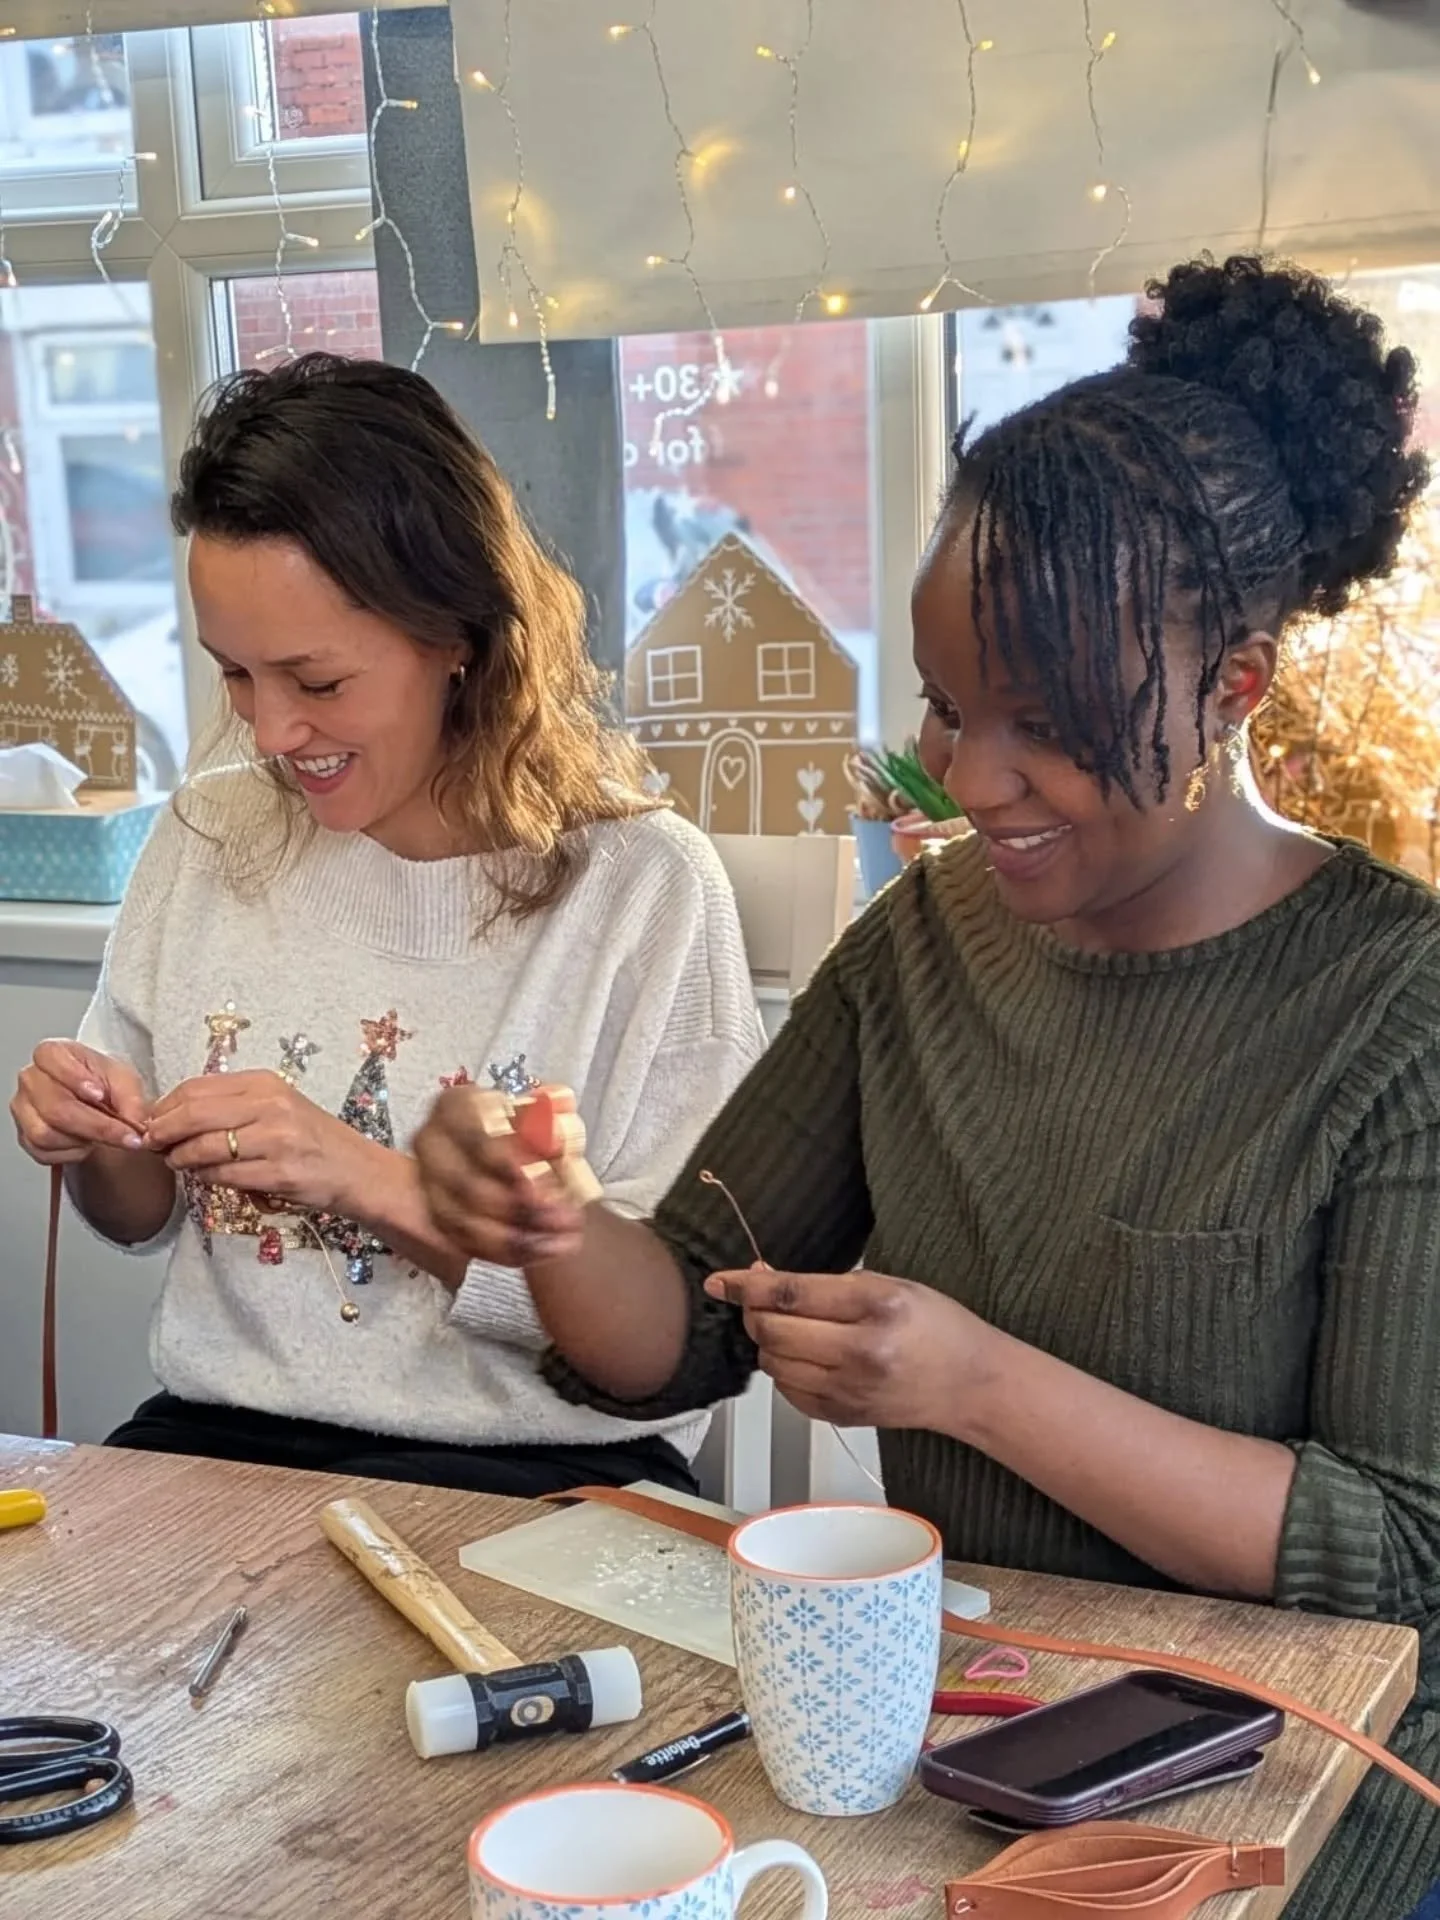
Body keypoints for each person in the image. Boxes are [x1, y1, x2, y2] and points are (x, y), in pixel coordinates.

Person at [413, 257, 1440, 1917]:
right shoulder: (922, 949)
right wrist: (547, 1226)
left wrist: (976, 1386)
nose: (972, 781)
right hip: (980, 1749)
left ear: (1233, 689)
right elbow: (683, 1324)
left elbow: (1404, 1570)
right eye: (952, 713)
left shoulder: (1403, 1011)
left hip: (1292, 1800)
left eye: (1044, 726)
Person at [9, 353, 762, 1499]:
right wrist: (95, 1143)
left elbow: (684, 1340)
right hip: (226, 1445)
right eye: (234, 676)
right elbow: (139, 1217)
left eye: (315, 681)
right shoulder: (208, 836)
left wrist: (366, 1176)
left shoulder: (642, 888)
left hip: (550, 1471)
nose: (268, 731)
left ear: (456, 634)